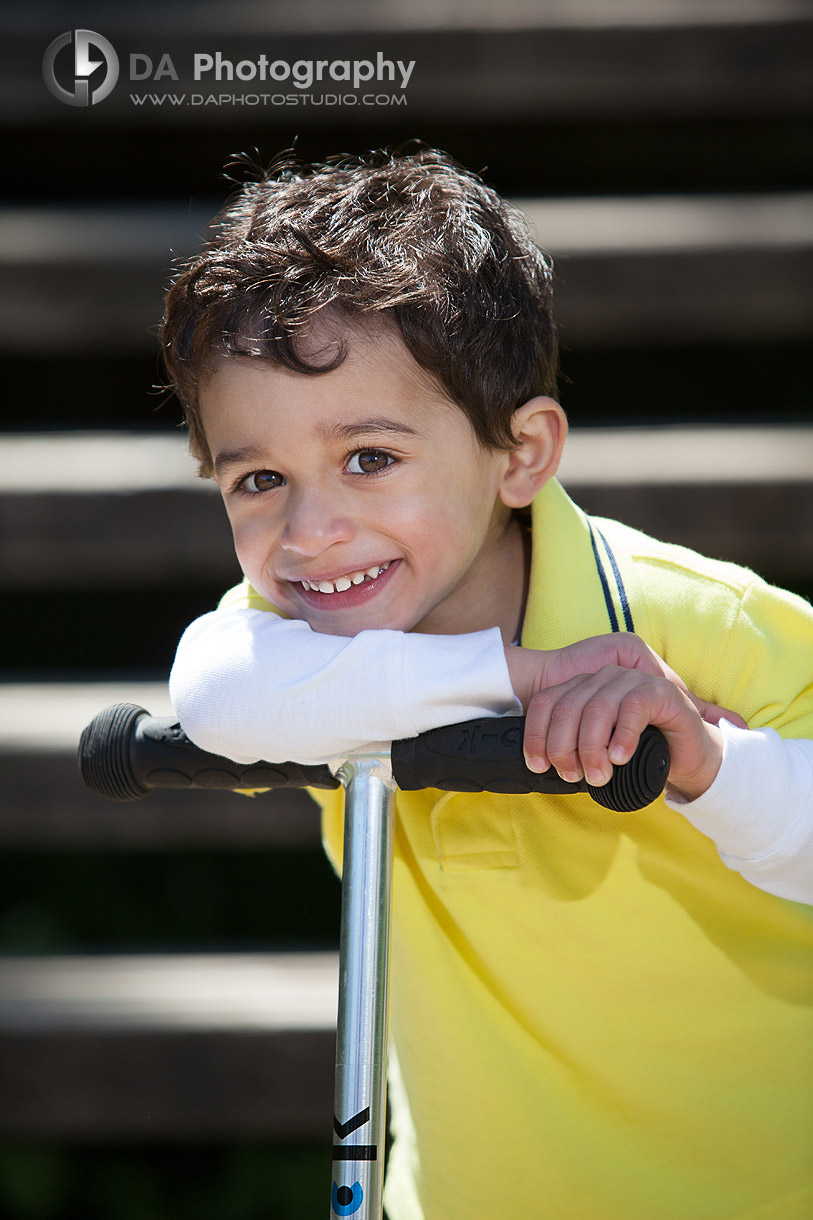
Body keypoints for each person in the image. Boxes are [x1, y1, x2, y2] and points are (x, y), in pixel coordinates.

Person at [162, 148, 813, 1219]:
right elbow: (213, 697)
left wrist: (708, 763)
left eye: (370, 456)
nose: (312, 531)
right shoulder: (302, 638)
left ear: (520, 454)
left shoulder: (695, 623)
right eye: (260, 479)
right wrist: (522, 677)